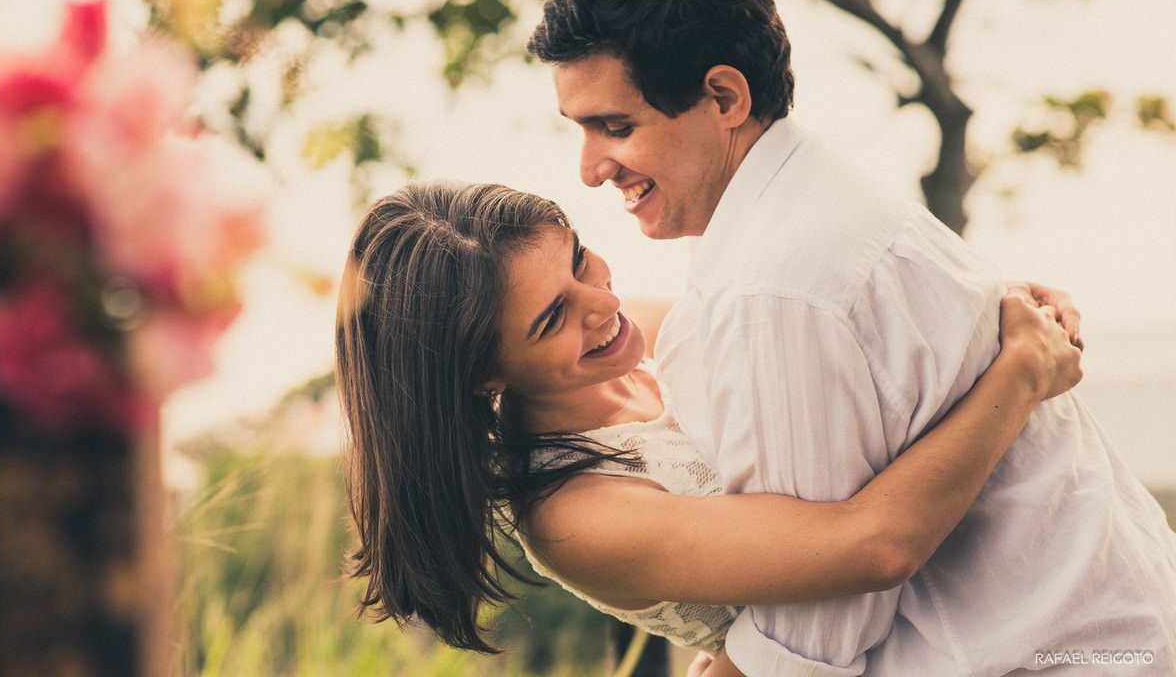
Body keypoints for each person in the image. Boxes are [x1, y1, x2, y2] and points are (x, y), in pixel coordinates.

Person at [526, 0, 1176, 675]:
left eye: (615, 126)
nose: (590, 169)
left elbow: (827, 623)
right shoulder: (807, 209)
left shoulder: (775, 284)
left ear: (724, 96)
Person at [335, 180, 1082, 663]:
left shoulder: (643, 333)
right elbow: (875, 546)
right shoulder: (573, 515)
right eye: (553, 317)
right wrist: (1019, 374)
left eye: (579, 260)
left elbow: (837, 334)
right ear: (484, 377)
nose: (601, 303)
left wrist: (994, 307)